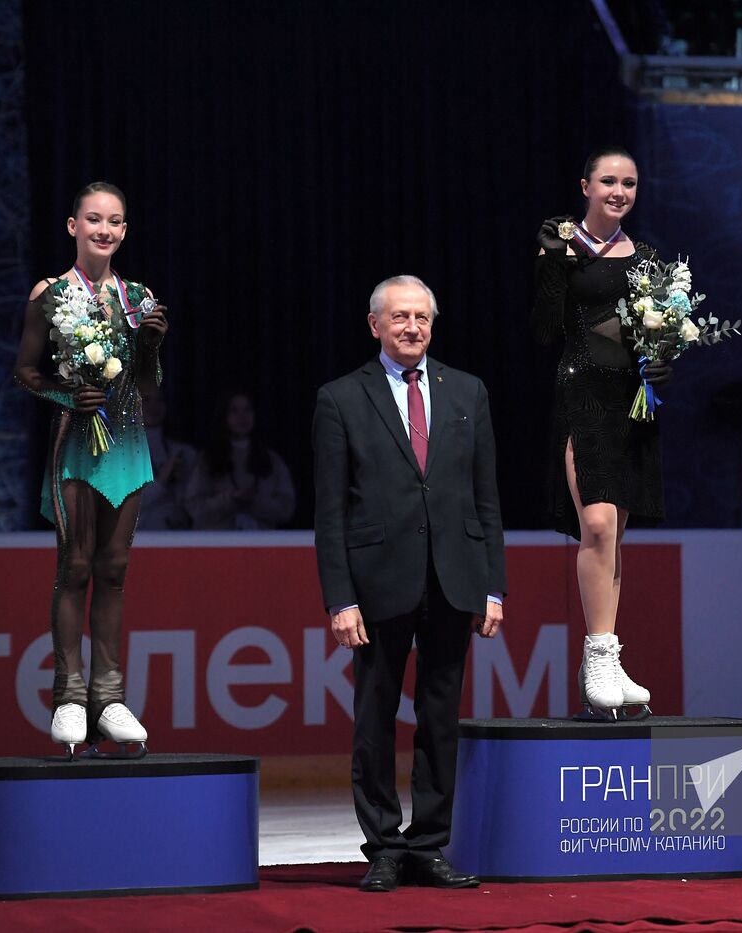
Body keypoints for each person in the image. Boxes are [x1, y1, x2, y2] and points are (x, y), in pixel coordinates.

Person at [313, 274, 505, 893]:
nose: (412, 327)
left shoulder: (468, 391)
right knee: (374, 719)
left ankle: (428, 846)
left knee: (440, 718)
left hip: (454, 581)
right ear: (375, 325)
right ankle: (384, 847)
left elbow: (487, 500)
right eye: (399, 317)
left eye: (422, 317)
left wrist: (493, 587)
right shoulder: (340, 398)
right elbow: (331, 512)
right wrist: (340, 598)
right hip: (376, 584)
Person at [12, 181, 167, 756]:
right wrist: (63, 397)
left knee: (116, 567)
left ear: (124, 232)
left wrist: (150, 346)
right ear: (73, 226)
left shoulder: (138, 296)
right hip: (74, 443)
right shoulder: (51, 294)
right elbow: (25, 370)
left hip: (126, 444)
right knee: (75, 565)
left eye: (115, 221)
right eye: (93, 219)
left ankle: (111, 694)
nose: (104, 229)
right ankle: (70, 694)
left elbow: (149, 387)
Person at [532, 147, 671, 720]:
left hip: (631, 404)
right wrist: (551, 261)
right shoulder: (565, 247)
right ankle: (596, 657)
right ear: (585, 185)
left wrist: (664, 359)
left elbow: (659, 335)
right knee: (596, 522)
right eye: (608, 181)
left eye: (630, 183)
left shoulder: (652, 260)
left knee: (614, 532)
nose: (619, 191)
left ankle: (611, 657)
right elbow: (543, 329)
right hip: (581, 393)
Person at [186, 392, 297, 530]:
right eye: (234, 410)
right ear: (223, 416)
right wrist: (230, 499)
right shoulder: (206, 459)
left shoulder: (272, 460)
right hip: (216, 545)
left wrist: (254, 501)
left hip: (260, 545)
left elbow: (286, 508)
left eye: (247, 409)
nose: (242, 416)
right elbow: (195, 509)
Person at [138, 387, 196, 530]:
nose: (154, 407)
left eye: (160, 400)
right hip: (141, 539)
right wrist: (162, 480)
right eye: (146, 401)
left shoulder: (185, 452)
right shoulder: (120, 453)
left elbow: (193, 503)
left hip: (179, 537)